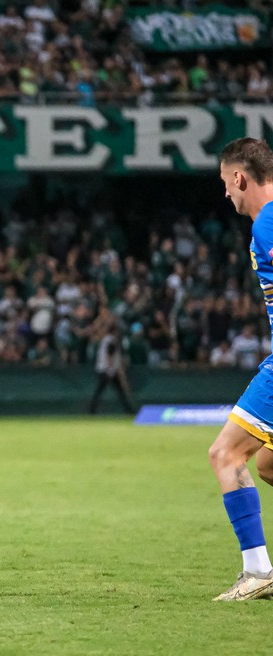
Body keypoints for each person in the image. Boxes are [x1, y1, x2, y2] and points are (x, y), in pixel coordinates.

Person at [210, 137, 273, 601]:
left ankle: (258, 572)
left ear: (239, 176)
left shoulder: (268, 223)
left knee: (226, 454)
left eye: (225, 183)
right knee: (269, 463)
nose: (226, 194)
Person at [87, 323, 136, 414]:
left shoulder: (106, 339)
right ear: (115, 331)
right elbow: (109, 357)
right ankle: (129, 410)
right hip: (108, 371)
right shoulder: (111, 340)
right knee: (110, 391)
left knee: (103, 391)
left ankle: (129, 410)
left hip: (104, 369)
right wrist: (112, 371)